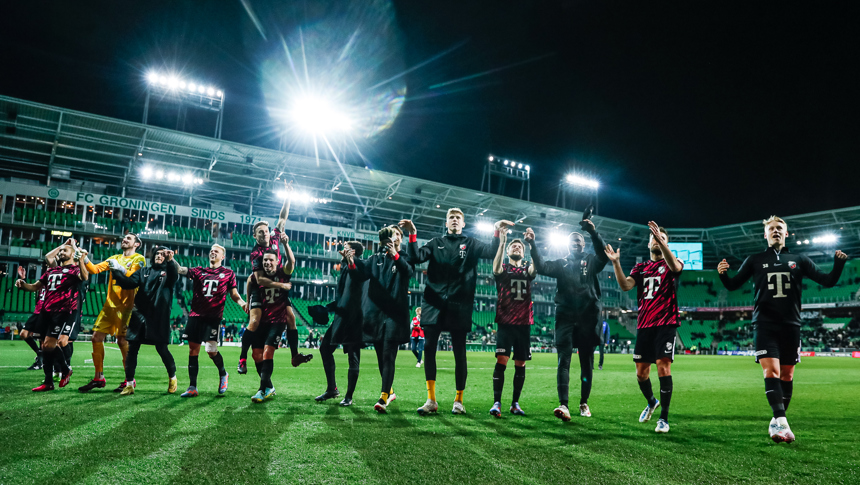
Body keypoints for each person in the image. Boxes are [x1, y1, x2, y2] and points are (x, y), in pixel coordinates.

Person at [718, 215, 848, 443]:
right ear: (765, 234)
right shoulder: (754, 260)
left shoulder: (799, 259)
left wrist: (838, 264)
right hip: (764, 324)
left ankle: (776, 423)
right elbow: (733, 284)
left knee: (787, 375)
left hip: (791, 325)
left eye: (780, 228)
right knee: (772, 372)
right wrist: (723, 274)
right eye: (772, 228)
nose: (776, 231)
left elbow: (827, 281)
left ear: (786, 233)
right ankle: (783, 422)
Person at [400, 210, 513, 415]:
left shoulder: (471, 243)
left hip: (460, 305)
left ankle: (459, 400)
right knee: (430, 350)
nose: (454, 220)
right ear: (446, 223)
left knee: (459, 353)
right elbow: (415, 257)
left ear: (463, 223)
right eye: (451, 217)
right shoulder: (435, 243)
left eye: (457, 218)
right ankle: (431, 399)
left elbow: (490, 251)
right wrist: (413, 235)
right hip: (433, 304)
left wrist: (497, 232)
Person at [526, 218, 608, 421]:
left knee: (586, 361)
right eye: (572, 240)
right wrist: (533, 245)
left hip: (588, 316)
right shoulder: (561, 263)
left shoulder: (591, 260)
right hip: (565, 316)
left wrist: (592, 232)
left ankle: (583, 402)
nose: (576, 242)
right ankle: (563, 404)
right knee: (564, 360)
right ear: (567, 244)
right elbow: (543, 267)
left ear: (583, 243)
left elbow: (603, 255)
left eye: (579, 239)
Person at [605, 222, 683, 433]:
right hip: (645, 324)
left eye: (662, 239)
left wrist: (662, 240)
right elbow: (625, 285)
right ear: (649, 244)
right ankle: (651, 402)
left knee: (663, 367)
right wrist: (616, 263)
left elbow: (675, 268)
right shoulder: (641, 268)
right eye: (654, 238)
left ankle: (664, 419)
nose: (657, 241)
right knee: (641, 373)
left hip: (666, 323)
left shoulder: (673, 263)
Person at [238, 181, 311, 373]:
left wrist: (288, 196)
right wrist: (280, 285)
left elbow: (282, 217)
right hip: (261, 287)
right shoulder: (256, 253)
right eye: (260, 232)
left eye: (266, 230)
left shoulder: (276, 236)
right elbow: (258, 280)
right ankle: (242, 357)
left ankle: (294, 355)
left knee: (291, 318)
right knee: (254, 322)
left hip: (276, 285)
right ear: (255, 236)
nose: (265, 234)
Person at [345, 226, 413, 413]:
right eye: (391, 235)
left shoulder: (405, 257)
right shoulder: (375, 259)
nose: (394, 237)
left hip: (394, 314)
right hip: (375, 314)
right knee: (380, 358)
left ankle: (383, 397)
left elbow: (408, 272)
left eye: (397, 234)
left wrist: (395, 255)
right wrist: (351, 261)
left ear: (401, 239)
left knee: (388, 355)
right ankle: (389, 391)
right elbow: (359, 275)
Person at [172, 244, 245, 397]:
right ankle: (192, 387)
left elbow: (234, 294)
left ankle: (223, 374)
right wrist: (171, 259)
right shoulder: (199, 271)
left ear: (222, 256)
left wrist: (242, 303)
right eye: (211, 250)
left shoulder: (228, 273)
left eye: (216, 251)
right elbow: (180, 270)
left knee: (211, 351)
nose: (212, 252)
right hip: (195, 315)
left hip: (213, 317)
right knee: (193, 350)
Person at [78, 233, 147, 393]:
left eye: (128, 239)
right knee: (96, 337)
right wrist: (84, 257)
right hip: (110, 306)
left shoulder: (139, 259)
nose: (124, 240)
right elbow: (94, 269)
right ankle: (98, 377)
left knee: (122, 341)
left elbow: (134, 277)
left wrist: (120, 268)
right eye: (124, 238)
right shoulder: (114, 257)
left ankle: (129, 379)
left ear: (136, 244)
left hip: (127, 307)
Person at [16, 242, 88, 391]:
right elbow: (35, 286)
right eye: (60, 250)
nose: (61, 252)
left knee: (50, 344)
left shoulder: (74, 270)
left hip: (63, 312)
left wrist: (81, 259)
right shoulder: (51, 271)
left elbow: (85, 276)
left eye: (65, 250)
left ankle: (64, 368)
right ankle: (48, 381)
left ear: (72, 254)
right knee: (45, 346)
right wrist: (23, 284)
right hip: (46, 311)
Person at [109, 246, 179, 395]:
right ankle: (129, 384)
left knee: (162, 349)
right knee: (132, 349)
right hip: (139, 315)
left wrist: (171, 260)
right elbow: (128, 283)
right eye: (157, 254)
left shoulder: (168, 273)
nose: (159, 256)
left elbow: (174, 275)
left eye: (162, 254)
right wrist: (115, 270)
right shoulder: (143, 271)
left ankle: (173, 378)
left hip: (159, 317)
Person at [489, 233, 536, 418]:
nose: (516, 247)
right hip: (506, 322)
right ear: (508, 251)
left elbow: (535, 267)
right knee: (502, 360)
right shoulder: (502, 269)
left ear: (524, 254)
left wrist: (531, 244)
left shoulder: (527, 270)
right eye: (513, 246)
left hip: (524, 323)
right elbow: (496, 267)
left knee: (520, 363)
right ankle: (497, 402)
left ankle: (515, 403)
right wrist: (502, 243)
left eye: (520, 247)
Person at [315, 241, 365, 406]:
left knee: (353, 357)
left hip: (354, 318)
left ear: (354, 252)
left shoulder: (360, 266)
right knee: (324, 349)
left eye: (347, 247)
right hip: (341, 316)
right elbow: (343, 296)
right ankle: (332, 389)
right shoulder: (344, 267)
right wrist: (328, 308)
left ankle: (349, 396)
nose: (343, 249)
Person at [250, 249, 295, 403]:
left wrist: (286, 244)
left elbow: (292, 262)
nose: (268, 263)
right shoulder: (259, 277)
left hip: (278, 320)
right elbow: (251, 284)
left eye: (271, 260)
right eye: (265, 261)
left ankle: (262, 390)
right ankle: (269, 386)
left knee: (268, 352)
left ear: (277, 262)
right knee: (256, 355)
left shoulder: (283, 273)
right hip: (262, 320)